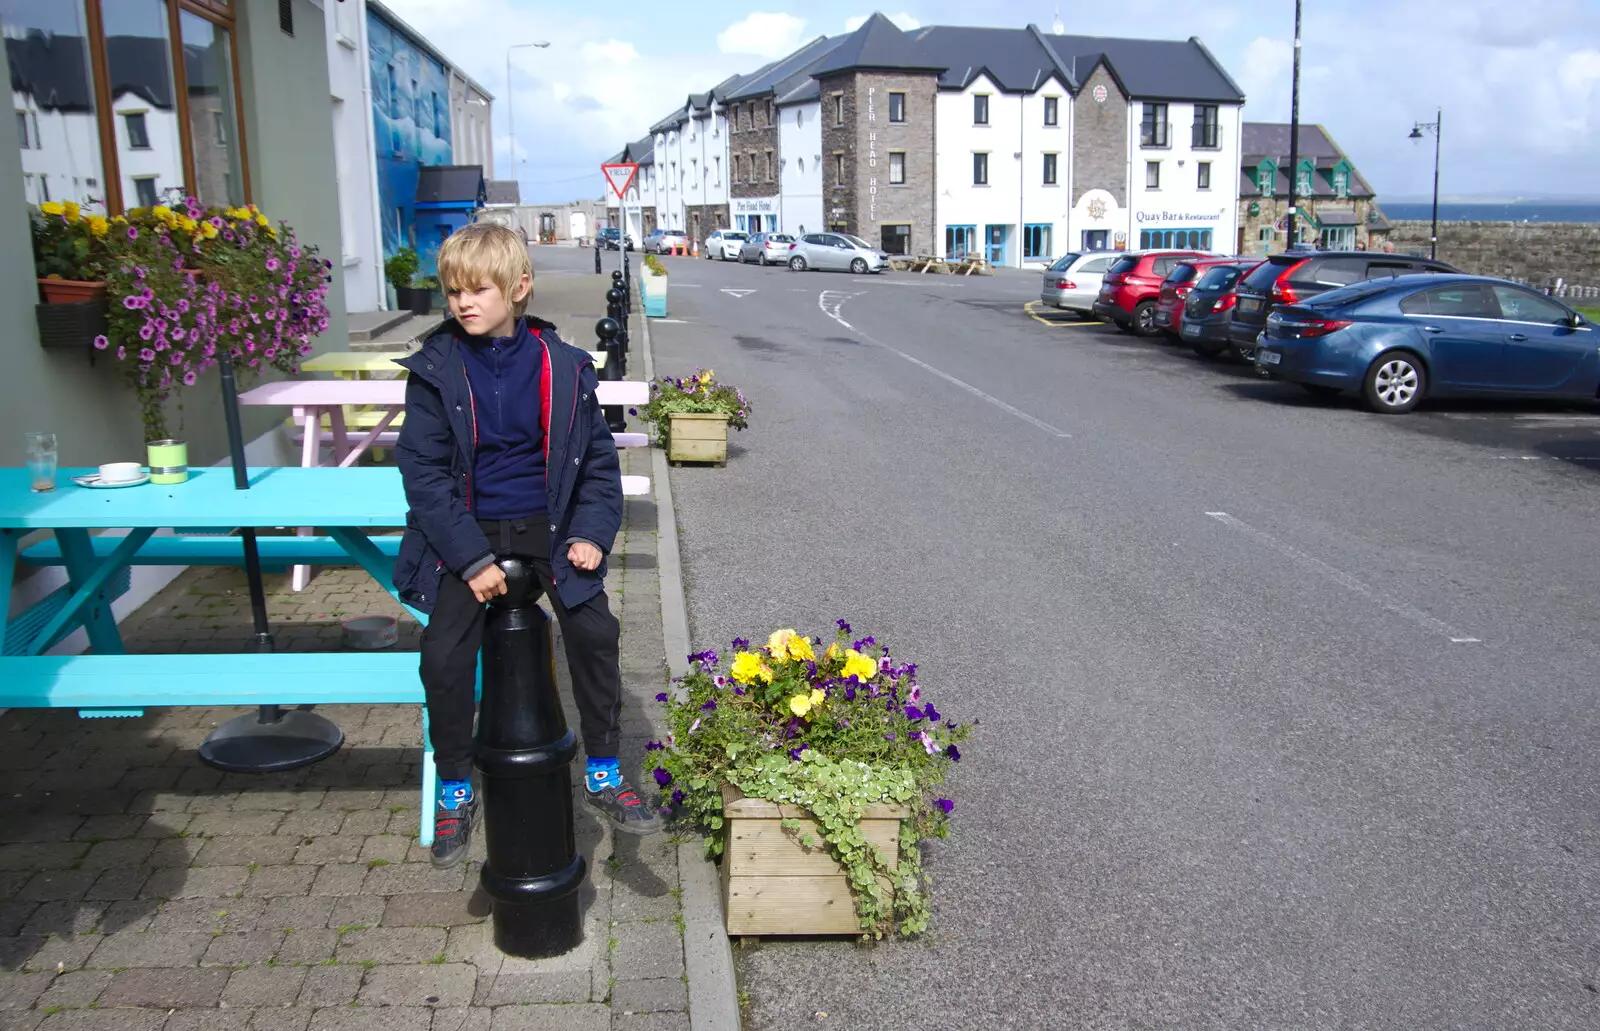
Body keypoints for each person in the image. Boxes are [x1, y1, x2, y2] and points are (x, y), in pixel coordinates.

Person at [394, 222, 660, 868]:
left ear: (518, 289)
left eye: (478, 289)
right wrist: (471, 561)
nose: (463, 302)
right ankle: (456, 783)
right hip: (468, 534)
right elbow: (424, 479)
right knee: (442, 652)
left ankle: (602, 766)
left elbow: (598, 467)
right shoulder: (435, 369)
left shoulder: (564, 368)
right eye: (454, 290)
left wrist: (592, 536)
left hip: (550, 526)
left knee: (595, 631)